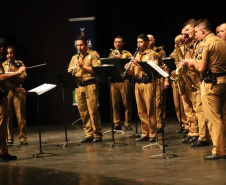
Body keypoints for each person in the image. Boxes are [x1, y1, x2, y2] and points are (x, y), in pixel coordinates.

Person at [183, 18, 226, 159]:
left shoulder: (205, 43)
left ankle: (219, 150)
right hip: (224, 81)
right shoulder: (222, 42)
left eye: (196, 32)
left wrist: (191, 61)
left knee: (213, 118)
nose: (195, 35)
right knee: (224, 116)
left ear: (202, 30)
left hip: (211, 84)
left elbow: (201, 68)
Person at [68, 35, 102, 143]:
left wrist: (83, 66)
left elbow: (97, 70)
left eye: (81, 45)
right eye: (77, 45)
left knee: (93, 111)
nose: (79, 47)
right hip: (78, 87)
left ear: (86, 44)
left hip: (90, 85)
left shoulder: (93, 54)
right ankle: (89, 134)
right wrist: (70, 70)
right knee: (83, 112)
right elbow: (69, 68)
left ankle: (97, 134)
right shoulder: (74, 57)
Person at [125, 34, 158, 142]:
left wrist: (138, 63)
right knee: (141, 110)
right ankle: (145, 133)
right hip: (138, 84)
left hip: (148, 83)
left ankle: (153, 134)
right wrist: (128, 69)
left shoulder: (152, 54)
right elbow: (132, 72)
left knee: (150, 109)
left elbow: (153, 70)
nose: (138, 44)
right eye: (137, 42)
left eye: (141, 42)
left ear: (147, 43)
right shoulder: (136, 55)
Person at [0, 38, 26, 162]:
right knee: (3, 122)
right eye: (4, 51)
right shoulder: (2, 63)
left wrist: (14, 86)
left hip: (10, 92)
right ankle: (2, 150)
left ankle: (5, 149)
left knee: (17, 116)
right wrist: (15, 73)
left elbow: (7, 81)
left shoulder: (18, 62)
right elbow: (1, 77)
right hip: (2, 95)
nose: (7, 54)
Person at [108, 36, 133, 130]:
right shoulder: (111, 53)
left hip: (124, 80)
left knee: (127, 103)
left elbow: (131, 64)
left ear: (123, 43)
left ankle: (127, 123)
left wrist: (122, 58)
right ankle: (117, 123)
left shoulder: (127, 54)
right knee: (115, 103)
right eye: (116, 42)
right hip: (114, 81)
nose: (117, 44)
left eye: (119, 42)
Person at [147, 34, 169, 133]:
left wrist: (166, 80)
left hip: (159, 79)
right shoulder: (143, 52)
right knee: (149, 103)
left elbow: (166, 66)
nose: (148, 42)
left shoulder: (160, 51)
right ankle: (151, 124)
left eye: (150, 41)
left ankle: (160, 124)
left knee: (159, 103)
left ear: (154, 41)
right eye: (147, 41)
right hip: (148, 81)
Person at [169, 32, 188, 133]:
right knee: (177, 104)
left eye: (180, 42)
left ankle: (189, 125)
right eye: (176, 42)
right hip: (177, 80)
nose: (178, 44)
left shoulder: (187, 51)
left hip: (185, 80)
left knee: (185, 104)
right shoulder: (174, 53)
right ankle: (183, 124)